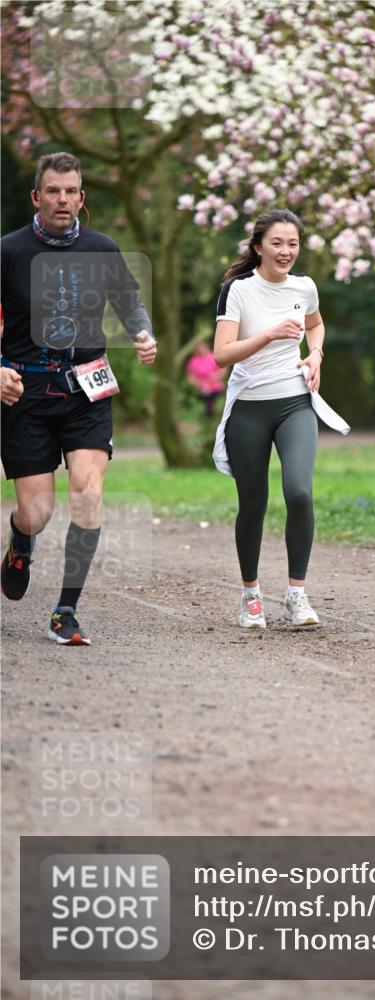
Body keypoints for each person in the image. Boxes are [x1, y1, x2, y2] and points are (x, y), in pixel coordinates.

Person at [0, 151, 157, 644]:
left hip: (87, 389)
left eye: (71, 192)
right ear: (37, 196)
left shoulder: (102, 248)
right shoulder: (9, 251)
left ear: (82, 198)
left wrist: (142, 333)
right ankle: (20, 542)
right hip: (25, 393)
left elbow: (128, 299)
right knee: (38, 512)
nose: (62, 199)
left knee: (88, 495)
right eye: (53, 191)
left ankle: (65, 610)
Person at [212, 209, 349, 629]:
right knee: (253, 503)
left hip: (294, 403)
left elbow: (317, 324)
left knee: (299, 492)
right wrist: (269, 334)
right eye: (277, 243)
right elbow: (222, 354)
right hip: (249, 407)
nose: (286, 251)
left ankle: (296, 596)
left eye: (293, 243)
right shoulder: (237, 290)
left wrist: (316, 355)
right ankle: (251, 597)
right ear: (258, 247)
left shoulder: (305, 287)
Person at [186, 340, 227, 417]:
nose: (201, 350)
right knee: (204, 397)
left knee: (214, 399)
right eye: (199, 348)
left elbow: (223, 370)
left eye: (202, 347)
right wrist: (199, 383)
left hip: (216, 387)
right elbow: (190, 377)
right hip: (201, 388)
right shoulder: (194, 361)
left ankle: (213, 414)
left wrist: (216, 376)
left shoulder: (214, 357)